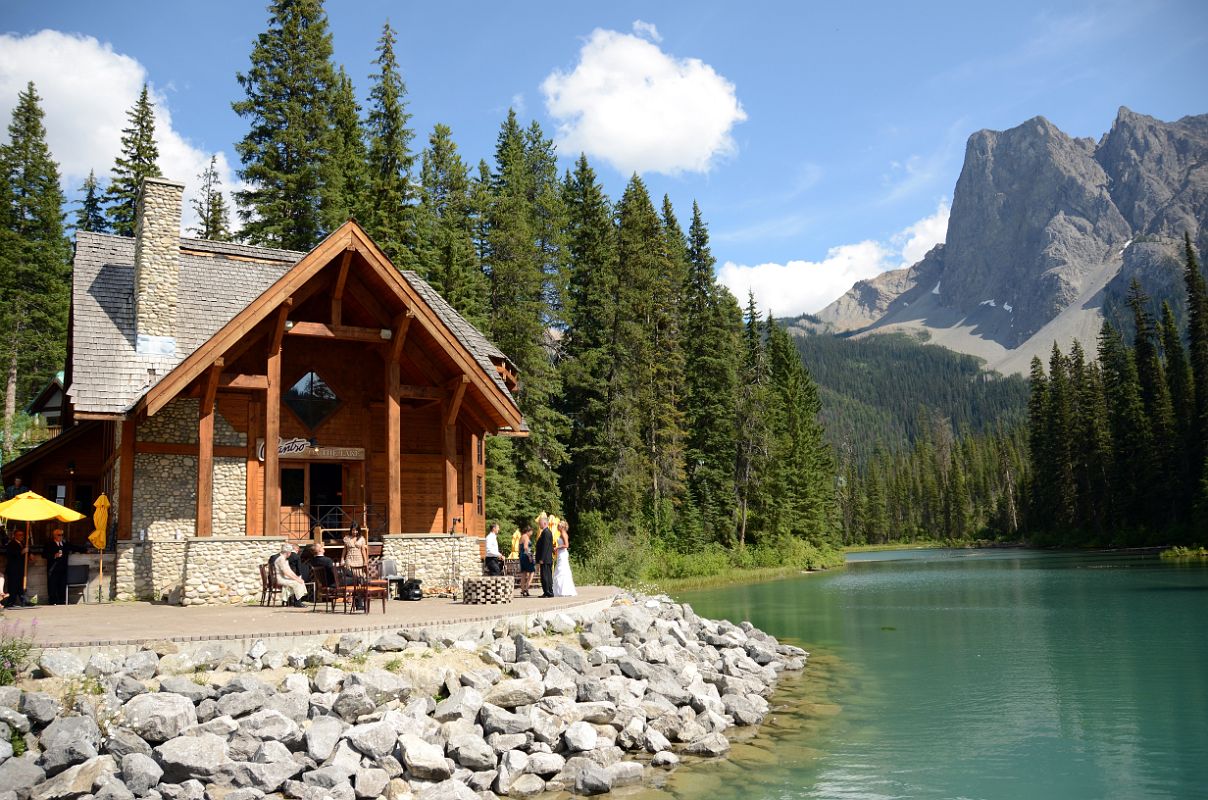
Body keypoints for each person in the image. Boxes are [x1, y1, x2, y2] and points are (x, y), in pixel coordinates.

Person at [44, 528, 86, 605]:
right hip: (53, 569)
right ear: (54, 536)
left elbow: (74, 547)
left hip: (63, 568)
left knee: (62, 585)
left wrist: (85, 550)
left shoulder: (65, 544)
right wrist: (54, 555)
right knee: (52, 585)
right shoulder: (49, 544)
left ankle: (62, 601)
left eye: (62, 535)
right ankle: (52, 601)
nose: (61, 536)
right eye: (59, 535)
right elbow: (44, 555)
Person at [552, 519, 577, 597]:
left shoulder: (563, 534)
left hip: (563, 553)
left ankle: (564, 590)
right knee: (559, 570)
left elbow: (566, 545)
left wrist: (557, 548)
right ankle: (559, 590)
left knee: (562, 570)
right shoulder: (560, 534)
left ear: (562, 527)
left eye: (558, 526)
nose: (557, 527)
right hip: (560, 554)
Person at [3, 529, 26, 606]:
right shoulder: (11, 544)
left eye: (22, 535)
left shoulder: (23, 543)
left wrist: (30, 555)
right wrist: (21, 552)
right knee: (12, 585)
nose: (22, 536)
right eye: (20, 535)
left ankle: (22, 599)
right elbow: (10, 555)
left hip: (20, 568)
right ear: (15, 536)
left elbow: (26, 552)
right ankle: (11, 602)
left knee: (20, 585)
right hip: (13, 569)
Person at [534, 517, 555, 598]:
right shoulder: (547, 532)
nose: (539, 525)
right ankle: (548, 591)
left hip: (545, 559)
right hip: (547, 558)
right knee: (547, 575)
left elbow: (545, 547)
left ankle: (548, 592)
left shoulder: (546, 532)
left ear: (545, 523)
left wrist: (542, 559)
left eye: (540, 523)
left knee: (545, 576)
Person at [517, 524, 535, 597]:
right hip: (526, 556)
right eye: (531, 532)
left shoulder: (521, 536)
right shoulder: (526, 537)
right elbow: (526, 547)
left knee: (523, 573)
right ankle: (526, 588)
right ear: (528, 531)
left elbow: (520, 548)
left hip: (521, 556)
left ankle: (522, 590)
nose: (532, 533)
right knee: (532, 571)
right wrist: (530, 556)